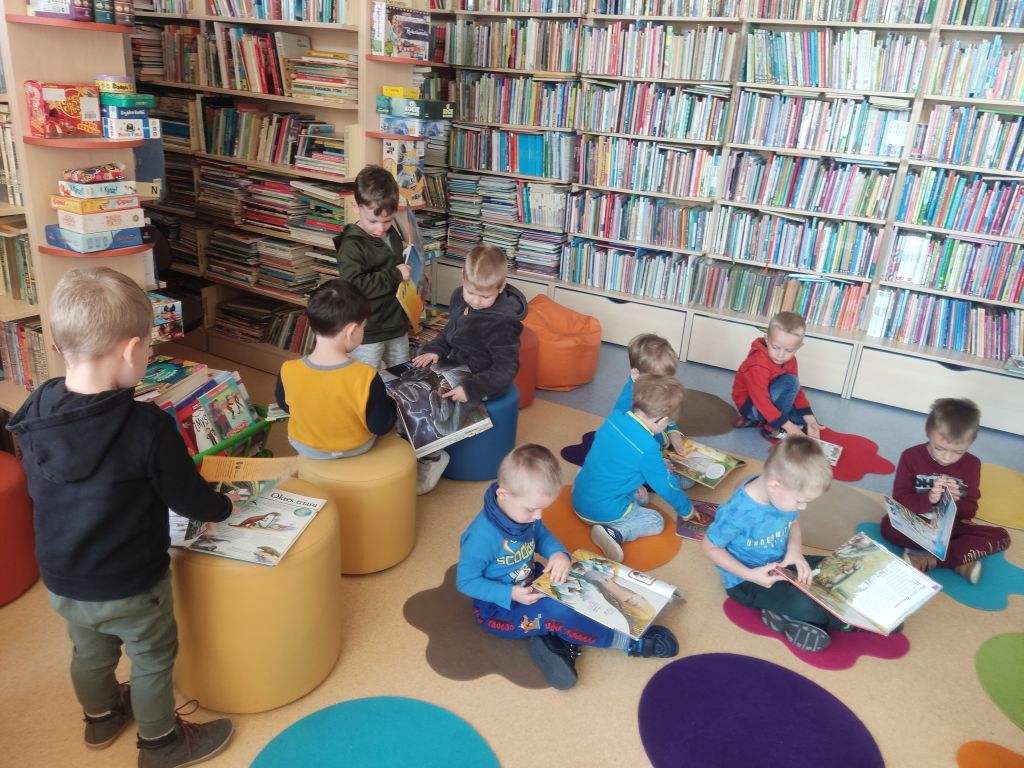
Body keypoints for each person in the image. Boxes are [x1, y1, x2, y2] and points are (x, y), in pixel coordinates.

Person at [6, 267, 235, 767]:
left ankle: (102, 717)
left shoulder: (37, 407)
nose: (148, 356)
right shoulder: (147, 427)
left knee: (89, 652)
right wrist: (223, 506)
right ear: (132, 351)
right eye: (149, 348)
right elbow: (187, 497)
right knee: (151, 657)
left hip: (64, 579)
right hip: (131, 581)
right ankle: (160, 744)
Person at [456, 444, 679, 690]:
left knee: (583, 579)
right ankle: (626, 642)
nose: (538, 516)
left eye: (542, 509)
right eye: (531, 509)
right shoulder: (481, 537)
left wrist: (558, 554)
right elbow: (465, 581)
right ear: (503, 494)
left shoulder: (522, 512)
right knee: (558, 612)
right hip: (497, 611)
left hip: (533, 582)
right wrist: (510, 593)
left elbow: (541, 534)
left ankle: (557, 643)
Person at [701, 436, 845, 652]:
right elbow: (709, 546)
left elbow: (793, 524)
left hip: (782, 563)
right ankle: (832, 620)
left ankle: (791, 611)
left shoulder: (781, 494)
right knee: (806, 604)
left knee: (835, 566)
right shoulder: (738, 512)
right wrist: (750, 575)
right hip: (747, 581)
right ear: (775, 486)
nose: (803, 507)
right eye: (800, 501)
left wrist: (795, 552)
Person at [411, 244, 527, 491]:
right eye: (470, 292)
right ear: (463, 279)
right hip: (456, 362)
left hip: (483, 376)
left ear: (501, 287)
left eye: (484, 297)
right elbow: (449, 333)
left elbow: (507, 368)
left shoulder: (504, 323)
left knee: (438, 398)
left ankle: (433, 457)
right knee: (413, 379)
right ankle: (412, 441)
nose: (475, 301)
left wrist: (472, 388)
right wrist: (435, 349)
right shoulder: (458, 297)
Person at [880, 398, 1010, 584]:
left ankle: (928, 560)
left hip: (951, 528)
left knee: (1001, 537)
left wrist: (956, 502)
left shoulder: (972, 464)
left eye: (958, 452)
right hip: (918, 523)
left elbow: (970, 510)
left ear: (971, 442)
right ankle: (958, 561)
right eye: (939, 448)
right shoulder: (910, 457)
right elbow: (900, 499)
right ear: (928, 433)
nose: (947, 457)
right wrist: (929, 499)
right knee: (887, 526)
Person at [572, 375, 695, 562]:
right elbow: (666, 486)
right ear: (663, 421)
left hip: (580, 496)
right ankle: (616, 533)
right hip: (605, 512)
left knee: (632, 489)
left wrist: (631, 381)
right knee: (656, 521)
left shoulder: (614, 416)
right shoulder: (649, 448)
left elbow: (623, 404)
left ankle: (613, 512)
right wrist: (686, 509)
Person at [275, 279, 396, 459]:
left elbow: (285, 405)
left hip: (304, 446)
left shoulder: (288, 369)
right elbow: (381, 426)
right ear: (351, 331)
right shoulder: (366, 376)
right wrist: (392, 402)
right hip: (354, 447)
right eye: (363, 327)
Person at [335, 165, 412, 370]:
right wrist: (395, 274)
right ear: (356, 207)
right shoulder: (351, 245)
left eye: (387, 221)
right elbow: (356, 286)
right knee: (367, 379)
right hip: (368, 330)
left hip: (396, 324)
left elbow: (397, 265)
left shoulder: (391, 233)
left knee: (401, 374)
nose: (380, 228)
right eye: (373, 221)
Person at [613, 332, 694, 489]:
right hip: (636, 453)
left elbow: (667, 413)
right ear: (636, 375)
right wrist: (653, 463)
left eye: (668, 379)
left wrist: (673, 431)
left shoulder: (657, 387)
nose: (665, 386)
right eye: (660, 381)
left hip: (657, 444)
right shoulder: (627, 404)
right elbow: (626, 443)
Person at [732, 311, 822, 440]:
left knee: (803, 421)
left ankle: (773, 421)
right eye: (775, 347)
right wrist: (789, 427)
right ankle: (771, 428)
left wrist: (811, 419)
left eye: (788, 350)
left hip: (770, 399)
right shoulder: (758, 363)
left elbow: (797, 392)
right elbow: (761, 400)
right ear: (767, 340)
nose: (780, 355)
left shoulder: (791, 360)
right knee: (791, 383)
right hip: (752, 406)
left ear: (798, 347)